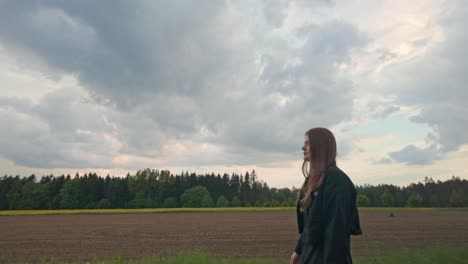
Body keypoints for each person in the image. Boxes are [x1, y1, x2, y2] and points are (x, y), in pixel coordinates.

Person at [289, 127, 362, 264]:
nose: (302, 148)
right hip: (310, 257)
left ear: (320, 147)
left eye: (307, 143)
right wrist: (298, 251)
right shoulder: (314, 181)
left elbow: (336, 234)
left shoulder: (336, 183)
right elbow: (310, 225)